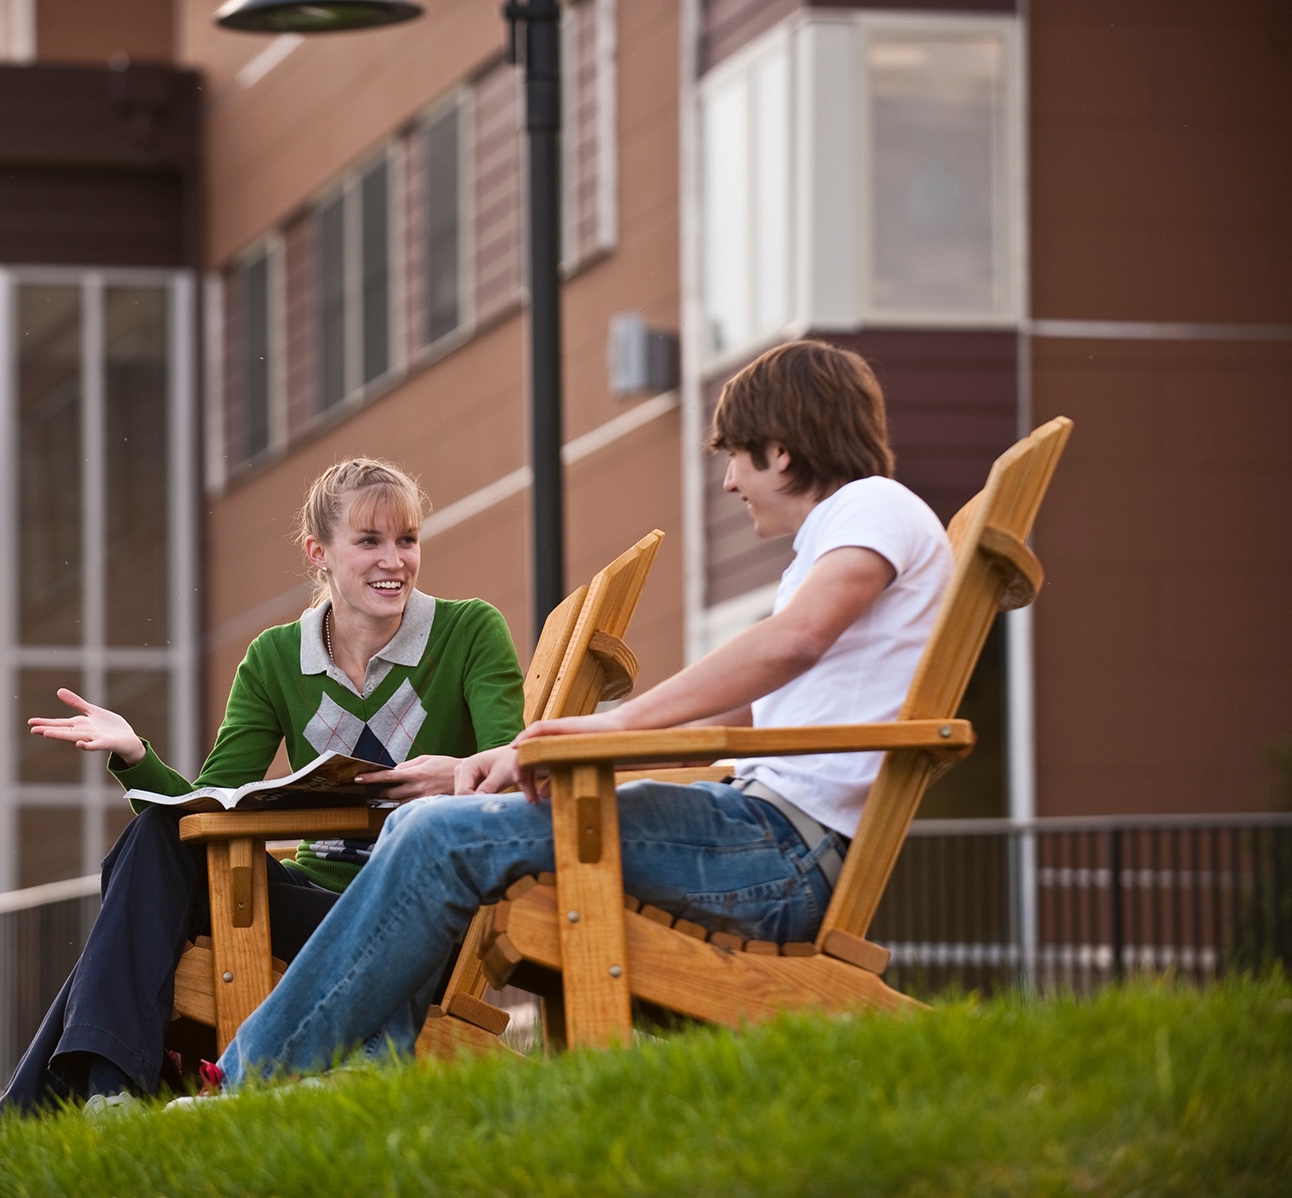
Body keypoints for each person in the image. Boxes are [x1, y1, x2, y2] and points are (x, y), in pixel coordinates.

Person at [216, 339, 955, 1084]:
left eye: (736, 456)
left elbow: (793, 640)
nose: (730, 482)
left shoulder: (874, 505)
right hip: (757, 831)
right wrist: (550, 752)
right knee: (425, 826)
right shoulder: (843, 536)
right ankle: (346, 1072)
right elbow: (771, 719)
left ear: (783, 452)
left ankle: (252, 1082)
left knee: (438, 836)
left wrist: (616, 728)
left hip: (780, 854)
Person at [0, 457, 525, 1123]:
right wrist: (135, 755)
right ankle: (109, 1095)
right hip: (314, 906)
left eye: (407, 540)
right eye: (370, 541)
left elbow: (511, 762)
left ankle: (64, 1098)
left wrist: (455, 774)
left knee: (145, 872)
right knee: (156, 837)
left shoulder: (468, 632)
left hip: (416, 911)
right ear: (318, 553)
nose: (395, 561)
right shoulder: (274, 659)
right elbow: (208, 810)